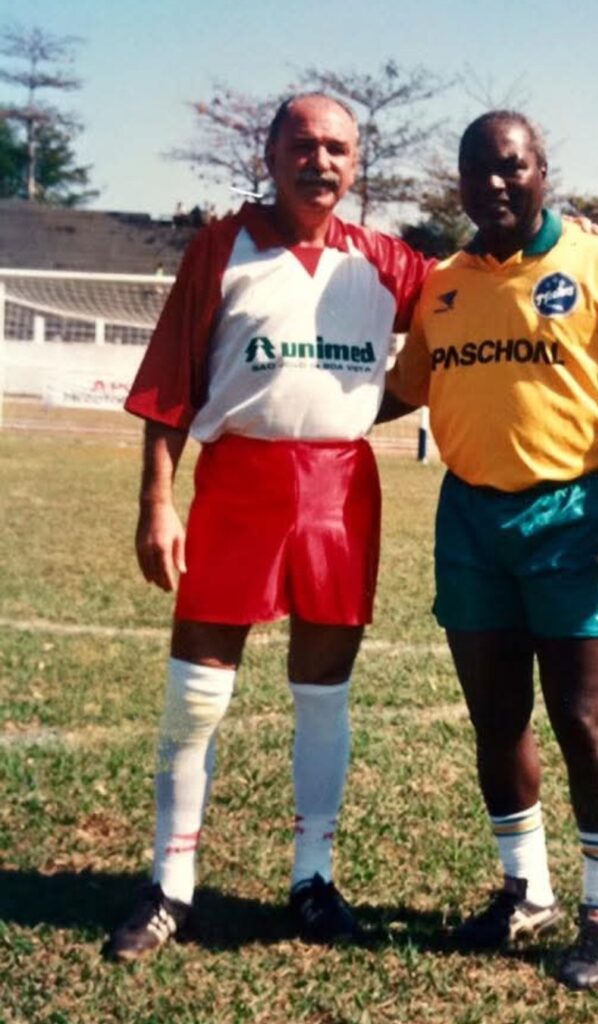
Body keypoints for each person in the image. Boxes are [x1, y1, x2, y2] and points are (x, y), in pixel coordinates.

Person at [104, 92, 432, 961]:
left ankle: (312, 878)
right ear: (271, 152)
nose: (319, 162)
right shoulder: (222, 248)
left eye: (337, 149)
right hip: (238, 484)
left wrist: (565, 240)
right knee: (196, 694)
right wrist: (156, 502)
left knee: (323, 694)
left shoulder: (386, 262)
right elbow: (171, 383)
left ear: (355, 164)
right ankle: (170, 883)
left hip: (339, 490)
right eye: (303, 145)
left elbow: (473, 299)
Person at [383, 110, 598, 991]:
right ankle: (526, 892)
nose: (493, 183)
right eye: (476, 170)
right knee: (495, 718)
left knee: (581, 720)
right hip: (469, 520)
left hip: (572, 514)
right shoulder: (444, 284)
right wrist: (284, 404)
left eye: (511, 166)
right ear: (458, 182)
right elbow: (402, 389)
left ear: (541, 172)